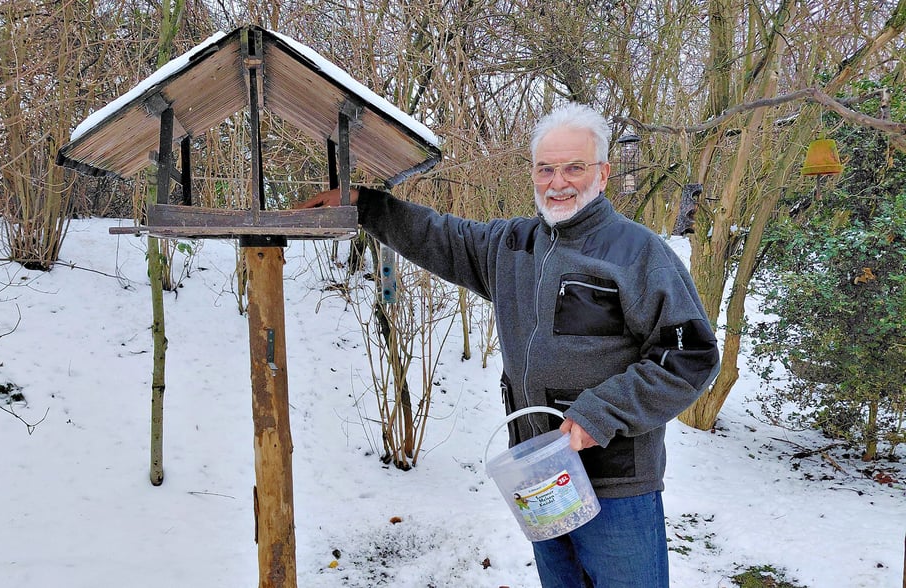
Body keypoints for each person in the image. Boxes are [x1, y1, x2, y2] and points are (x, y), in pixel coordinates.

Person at [299, 102, 720, 587]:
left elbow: (690, 355)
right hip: (540, 473)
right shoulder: (512, 244)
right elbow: (439, 236)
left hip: (616, 483)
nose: (558, 182)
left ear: (603, 173)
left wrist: (600, 413)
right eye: (546, 169)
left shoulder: (639, 253)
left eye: (574, 167)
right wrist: (364, 204)